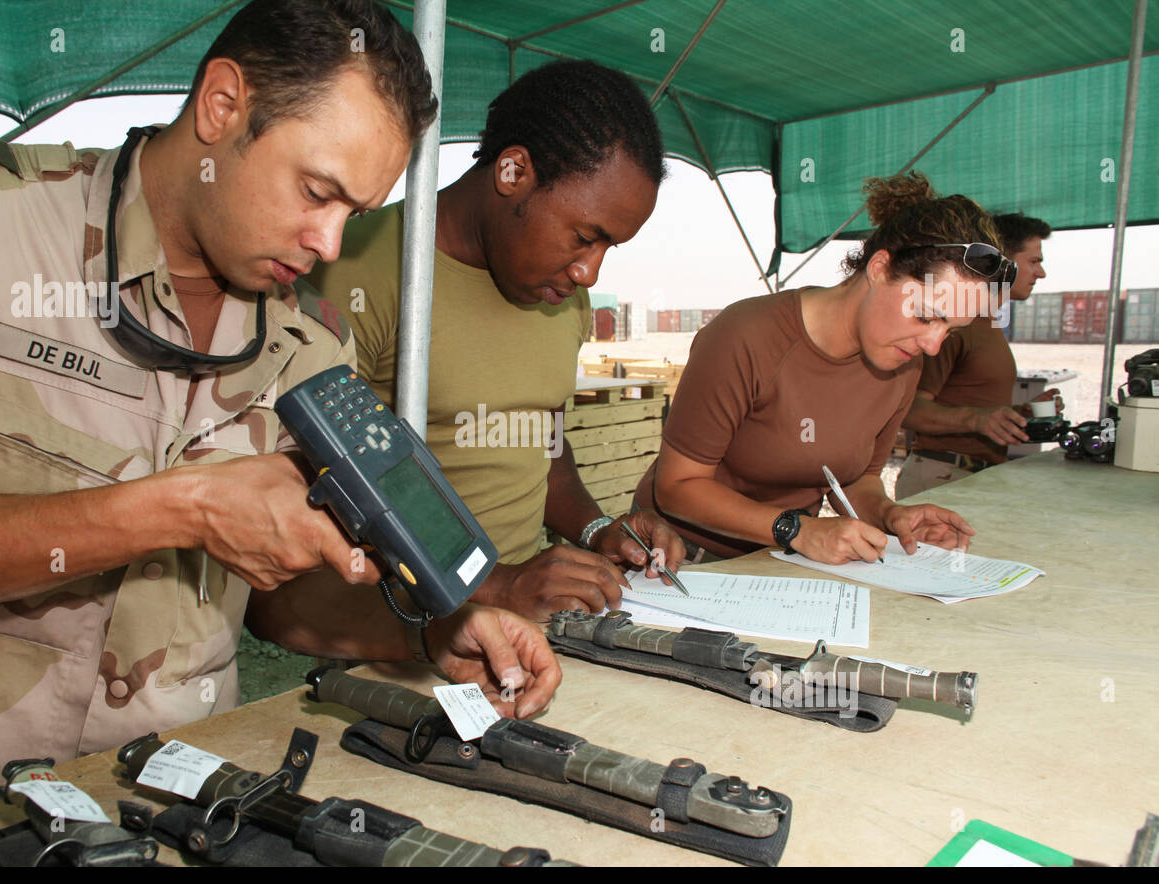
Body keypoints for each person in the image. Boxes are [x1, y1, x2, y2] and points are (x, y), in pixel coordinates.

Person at [0, 0, 558, 828]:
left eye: (355, 216)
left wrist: (425, 636)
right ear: (223, 105)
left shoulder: (310, 352)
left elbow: (282, 604)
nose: (330, 245)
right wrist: (183, 509)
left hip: (170, 818)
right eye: (316, 191)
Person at [303, 59, 686, 624]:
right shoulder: (356, 270)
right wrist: (496, 585)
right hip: (393, 629)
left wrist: (598, 529)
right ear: (513, 172)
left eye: (610, 248)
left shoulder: (563, 299)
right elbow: (307, 497)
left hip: (530, 622)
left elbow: (543, 444)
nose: (591, 275)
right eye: (585, 237)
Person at [632, 172, 987, 565]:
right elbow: (678, 485)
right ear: (880, 268)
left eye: (951, 332)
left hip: (781, 560)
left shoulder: (904, 363)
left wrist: (891, 515)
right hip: (680, 558)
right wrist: (796, 529)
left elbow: (856, 480)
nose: (933, 346)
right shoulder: (745, 336)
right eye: (924, 316)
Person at [896, 213, 1059, 497]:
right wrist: (977, 419)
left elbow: (977, 408)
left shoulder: (989, 324)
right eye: (1034, 261)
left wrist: (1021, 415)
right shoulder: (957, 325)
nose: (1041, 273)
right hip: (941, 478)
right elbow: (908, 411)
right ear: (1004, 260)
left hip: (972, 478)